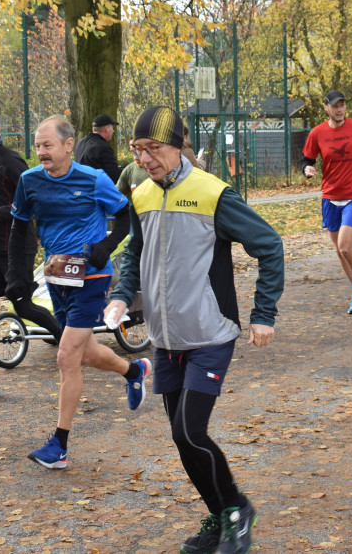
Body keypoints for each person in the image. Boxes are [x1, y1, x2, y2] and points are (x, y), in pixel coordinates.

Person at [105, 106, 284, 554]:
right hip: (165, 339)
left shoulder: (213, 193)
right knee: (182, 440)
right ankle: (219, 516)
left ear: (176, 146)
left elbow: (269, 245)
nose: (143, 159)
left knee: (190, 432)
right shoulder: (143, 194)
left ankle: (238, 509)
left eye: (152, 149)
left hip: (209, 333)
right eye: (137, 149)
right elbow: (135, 252)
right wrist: (122, 295)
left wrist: (264, 314)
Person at [6, 116, 150, 470]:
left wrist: (107, 246)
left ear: (68, 145)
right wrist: (16, 274)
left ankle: (60, 445)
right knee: (84, 352)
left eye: (47, 145)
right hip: (56, 276)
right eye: (37, 146)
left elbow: (126, 215)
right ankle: (133, 372)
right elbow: (19, 229)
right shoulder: (29, 181)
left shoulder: (93, 179)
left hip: (93, 275)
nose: (41, 152)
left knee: (66, 356)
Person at [0, 106, 54, 399]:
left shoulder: (11, 161)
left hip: (15, 249)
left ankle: (73, 344)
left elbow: (34, 201)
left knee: (24, 308)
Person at [299, 90, 352, 315]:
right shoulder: (317, 133)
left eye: (342, 105)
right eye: (335, 106)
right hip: (330, 197)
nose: (339, 110)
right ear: (326, 107)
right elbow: (306, 159)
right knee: (340, 251)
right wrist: (306, 169)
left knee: (345, 247)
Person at [74, 113, 123, 184]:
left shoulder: (80, 143)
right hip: (95, 188)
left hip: (79, 185)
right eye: (112, 128)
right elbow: (114, 176)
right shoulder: (103, 147)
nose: (113, 131)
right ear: (106, 129)